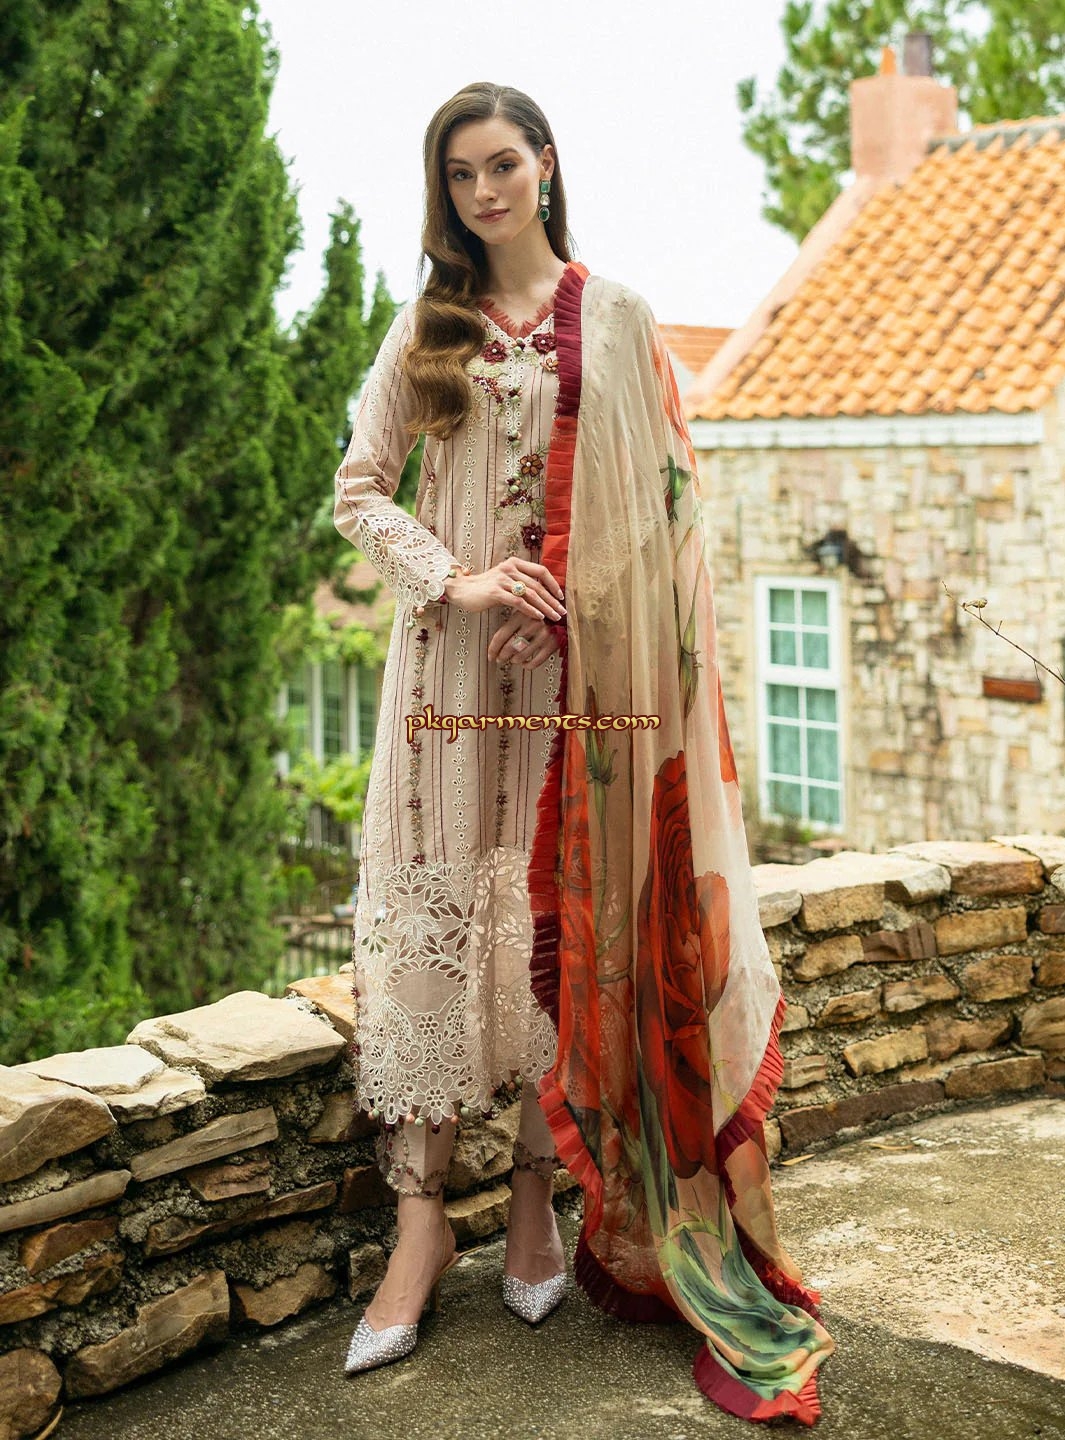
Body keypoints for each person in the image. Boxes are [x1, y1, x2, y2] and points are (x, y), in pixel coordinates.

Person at [333, 81, 836, 1425]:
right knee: (438, 930)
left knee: (550, 935)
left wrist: (562, 604)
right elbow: (358, 492)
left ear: (546, 167)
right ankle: (419, 1231)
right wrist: (462, 584)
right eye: (460, 176)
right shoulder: (426, 328)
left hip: (575, 694)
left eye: (502, 165)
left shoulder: (612, 319)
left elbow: (664, 513)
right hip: (444, 687)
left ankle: (532, 1199)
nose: (483, 193)